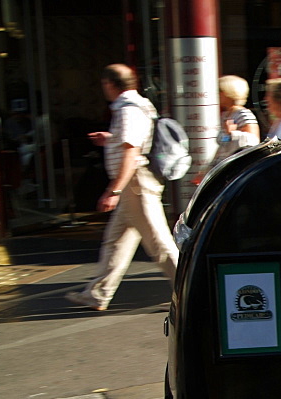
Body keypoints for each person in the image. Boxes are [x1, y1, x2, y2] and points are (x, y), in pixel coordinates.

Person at [65, 63, 178, 312]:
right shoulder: (136, 106)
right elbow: (131, 143)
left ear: (110, 84)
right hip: (133, 185)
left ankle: (192, 289)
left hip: (135, 184)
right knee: (115, 242)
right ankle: (98, 294)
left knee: (159, 243)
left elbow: (132, 152)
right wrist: (111, 140)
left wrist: (113, 190)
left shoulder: (129, 110)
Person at [192, 75, 260, 184]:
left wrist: (233, 133)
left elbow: (253, 141)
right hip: (223, 171)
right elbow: (222, 148)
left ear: (229, 92)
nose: (218, 94)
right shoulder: (225, 115)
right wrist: (207, 171)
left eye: (220, 90)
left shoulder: (243, 114)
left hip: (235, 173)